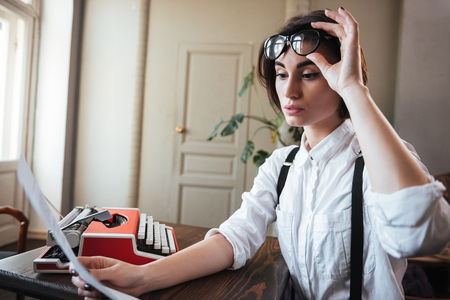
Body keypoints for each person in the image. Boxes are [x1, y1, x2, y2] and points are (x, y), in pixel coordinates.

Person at [70, 8, 450, 299]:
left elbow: (421, 236)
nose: (289, 92)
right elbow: (235, 238)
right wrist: (140, 277)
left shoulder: (378, 161)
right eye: (282, 74)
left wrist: (353, 88)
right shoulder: (281, 165)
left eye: (310, 73)